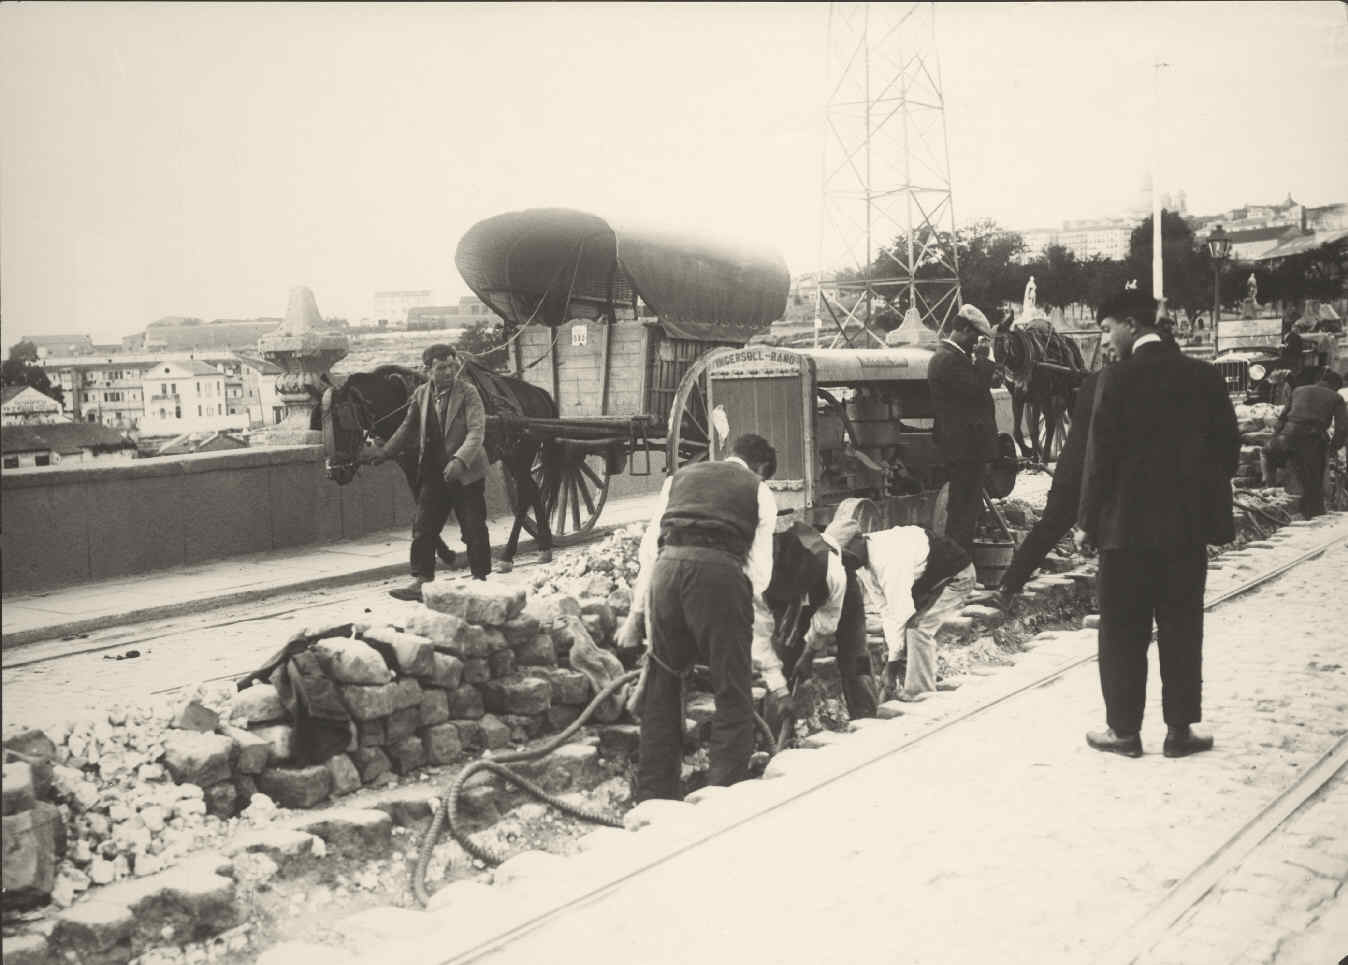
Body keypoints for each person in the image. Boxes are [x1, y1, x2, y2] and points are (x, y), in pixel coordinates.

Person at [1078, 289, 1240, 759]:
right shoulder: (1204, 376)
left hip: (1123, 533)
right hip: (1186, 533)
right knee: (1182, 628)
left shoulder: (1115, 379)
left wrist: (1087, 522)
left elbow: (1098, 461)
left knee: (1122, 630)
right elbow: (1227, 452)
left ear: (1132, 324)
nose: (1105, 340)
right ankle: (1179, 732)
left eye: (1108, 329)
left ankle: (1124, 733)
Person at [617, 433, 778, 802]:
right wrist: (730, 611)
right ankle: (723, 792)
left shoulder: (680, 479)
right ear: (761, 468)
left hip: (666, 572)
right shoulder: (759, 490)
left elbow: (648, 551)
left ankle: (655, 796)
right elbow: (760, 573)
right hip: (720, 575)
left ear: (730, 454)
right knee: (732, 689)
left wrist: (636, 615)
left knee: (663, 686)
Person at [368, 344, 492, 599]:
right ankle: (421, 580)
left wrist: (459, 461)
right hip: (434, 473)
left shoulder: (469, 393)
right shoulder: (421, 394)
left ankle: (480, 579)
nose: (448, 372)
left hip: (466, 473)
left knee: (473, 528)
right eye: (441, 368)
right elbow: (406, 428)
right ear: (428, 370)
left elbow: (476, 431)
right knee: (423, 527)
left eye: (451, 366)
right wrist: (384, 453)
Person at [822, 513, 977, 703]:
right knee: (902, 632)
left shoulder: (888, 558)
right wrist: (892, 661)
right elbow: (886, 610)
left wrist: (891, 667)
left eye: (845, 554)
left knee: (917, 628)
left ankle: (921, 695)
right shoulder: (862, 563)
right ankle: (914, 678)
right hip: (927, 581)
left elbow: (901, 614)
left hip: (956, 577)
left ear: (859, 540)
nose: (845, 563)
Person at [756, 518, 877, 731]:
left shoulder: (833, 573)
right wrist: (781, 690)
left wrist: (809, 654)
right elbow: (761, 639)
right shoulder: (760, 574)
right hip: (786, 597)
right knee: (782, 662)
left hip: (839, 595)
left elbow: (827, 623)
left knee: (857, 657)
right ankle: (776, 734)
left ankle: (866, 718)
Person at [998, 362, 1104, 598]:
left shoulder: (1093, 382)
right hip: (1094, 473)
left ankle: (1007, 587)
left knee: (1047, 529)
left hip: (1072, 469)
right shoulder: (1121, 384)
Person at [929, 303, 997, 554]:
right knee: (962, 511)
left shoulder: (954, 358)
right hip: (963, 449)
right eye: (977, 337)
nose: (977, 343)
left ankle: (959, 565)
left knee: (966, 510)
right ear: (966, 331)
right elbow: (976, 391)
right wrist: (985, 360)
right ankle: (957, 566)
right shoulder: (947, 360)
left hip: (967, 448)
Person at [1273, 370, 1348, 519]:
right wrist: (1334, 448)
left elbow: (1282, 418)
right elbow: (1342, 427)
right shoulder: (1336, 397)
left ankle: (1291, 508)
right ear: (1335, 385)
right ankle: (1314, 514)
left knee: (1294, 473)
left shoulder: (1298, 390)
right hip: (1312, 439)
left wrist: (1277, 437)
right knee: (1314, 478)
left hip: (1288, 436)